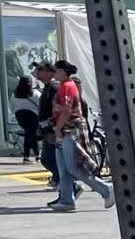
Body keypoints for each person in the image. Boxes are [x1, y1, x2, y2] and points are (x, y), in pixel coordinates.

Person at [49, 60, 115, 213]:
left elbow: (66, 109)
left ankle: (106, 189)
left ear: (63, 71)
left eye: (56, 70)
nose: (54, 73)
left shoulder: (67, 86)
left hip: (70, 130)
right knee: (63, 168)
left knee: (73, 167)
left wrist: (58, 128)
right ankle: (66, 200)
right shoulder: (64, 86)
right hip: (64, 130)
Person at [34, 63, 61, 185]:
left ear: (50, 73)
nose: (38, 73)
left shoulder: (54, 88)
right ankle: (59, 179)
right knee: (48, 158)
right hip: (46, 128)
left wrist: (53, 125)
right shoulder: (47, 87)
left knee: (49, 158)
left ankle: (65, 181)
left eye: (41, 70)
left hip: (52, 128)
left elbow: (58, 109)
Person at [11, 75, 41, 163]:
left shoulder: (14, 95)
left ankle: (37, 156)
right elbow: (42, 104)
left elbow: (11, 107)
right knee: (30, 135)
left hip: (20, 117)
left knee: (31, 134)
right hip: (33, 117)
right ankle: (26, 157)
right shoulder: (35, 93)